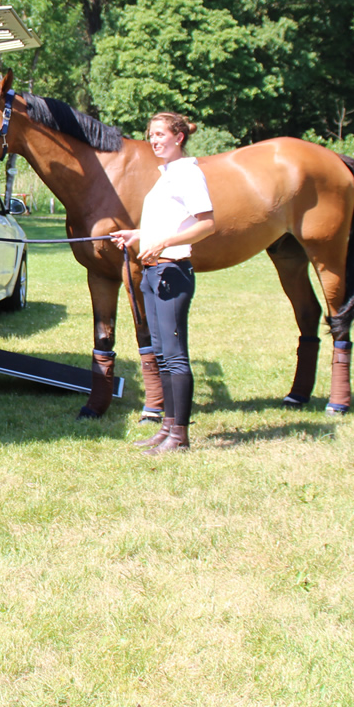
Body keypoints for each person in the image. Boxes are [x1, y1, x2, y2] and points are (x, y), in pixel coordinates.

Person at [109, 113, 216, 455]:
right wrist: (137, 234)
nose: (153, 141)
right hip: (153, 273)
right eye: (150, 135)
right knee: (161, 353)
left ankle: (180, 436)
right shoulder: (165, 176)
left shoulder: (188, 173)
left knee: (174, 356)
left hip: (173, 272)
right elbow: (168, 220)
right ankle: (167, 428)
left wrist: (165, 243)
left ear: (178, 138)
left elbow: (207, 224)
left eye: (160, 135)